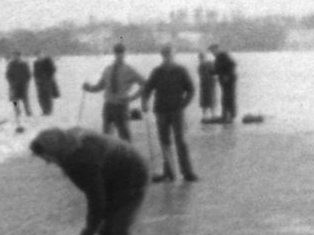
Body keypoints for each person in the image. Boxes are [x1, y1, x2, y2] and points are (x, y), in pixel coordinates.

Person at [140, 45, 198, 183]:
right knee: (165, 142)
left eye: (169, 54)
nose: (167, 57)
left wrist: (183, 104)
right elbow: (147, 89)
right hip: (160, 111)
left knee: (181, 141)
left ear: (174, 55)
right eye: (165, 54)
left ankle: (187, 172)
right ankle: (168, 172)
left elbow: (191, 89)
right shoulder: (157, 71)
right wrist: (144, 102)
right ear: (162, 56)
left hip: (177, 111)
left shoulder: (181, 70)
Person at [82, 43, 145, 141]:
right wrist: (89, 88)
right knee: (106, 138)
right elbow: (100, 86)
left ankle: (126, 156)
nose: (119, 55)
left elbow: (145, 85)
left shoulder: (129, 70)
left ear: (125, 54)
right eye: (117, 52)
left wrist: (132, 98)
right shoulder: (108, 69)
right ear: (114, 54)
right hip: (108, 107)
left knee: (125, 138)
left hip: (121, 107)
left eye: (121, 52)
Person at [208, 43, 237, 123]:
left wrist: (227, 75)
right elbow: (218, 70)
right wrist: (210, 72)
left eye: (213, 50)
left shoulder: (223, 55)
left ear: (217, 49)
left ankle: (230, 117)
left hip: (229, 80)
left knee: (229, 98)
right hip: (224, 82)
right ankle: (225, 116)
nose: (212, 53)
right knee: (225, 99)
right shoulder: (217, 58)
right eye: (211, 51)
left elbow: (233, 64)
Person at [5, 51, 33, 119]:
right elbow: (8, 74)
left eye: (17, 56)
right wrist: (11, 82)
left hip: (23, 85)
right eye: (14, 56)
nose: (15, 57)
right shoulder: (11, 64)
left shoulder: (24, 64)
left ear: (20, 56)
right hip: (14, 85)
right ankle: (17, 111)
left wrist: (26, 82)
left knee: (25, 99)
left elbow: (28, 74)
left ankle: (28, 112)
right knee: (14, 100)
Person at [196, 51, 217, 121]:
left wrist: (214, 81)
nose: (201, 59)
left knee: (211, 101)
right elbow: (201, 75)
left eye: (202, 57)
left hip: (210, 85)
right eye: (200, 58)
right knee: (204, 102)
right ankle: (205, 116)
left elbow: (215, 73)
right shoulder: (200, 66)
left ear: (205, 57)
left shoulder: (210, 63)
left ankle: (213, 115)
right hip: (204, 86)